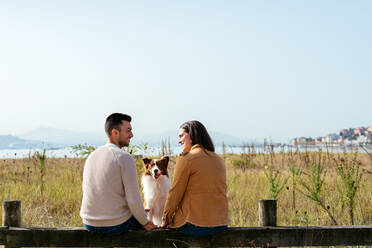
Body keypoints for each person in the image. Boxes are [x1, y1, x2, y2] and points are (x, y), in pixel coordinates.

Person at [80, 113, 157, 236]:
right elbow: (133, 200)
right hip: (114, 225)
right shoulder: (124, 157)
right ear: (115, 133)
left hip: (89, 222)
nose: (132, 135)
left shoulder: (92, 156)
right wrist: (145, 222)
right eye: (128, 131)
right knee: (148, 220)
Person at [161, 120, 229, 237]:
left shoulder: (187, 158)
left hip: (195, 224)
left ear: (192, 135)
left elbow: (175, 193)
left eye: (181, 136)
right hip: (221, 223)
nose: (179, 140)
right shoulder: (219, 159)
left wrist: (165, 220)